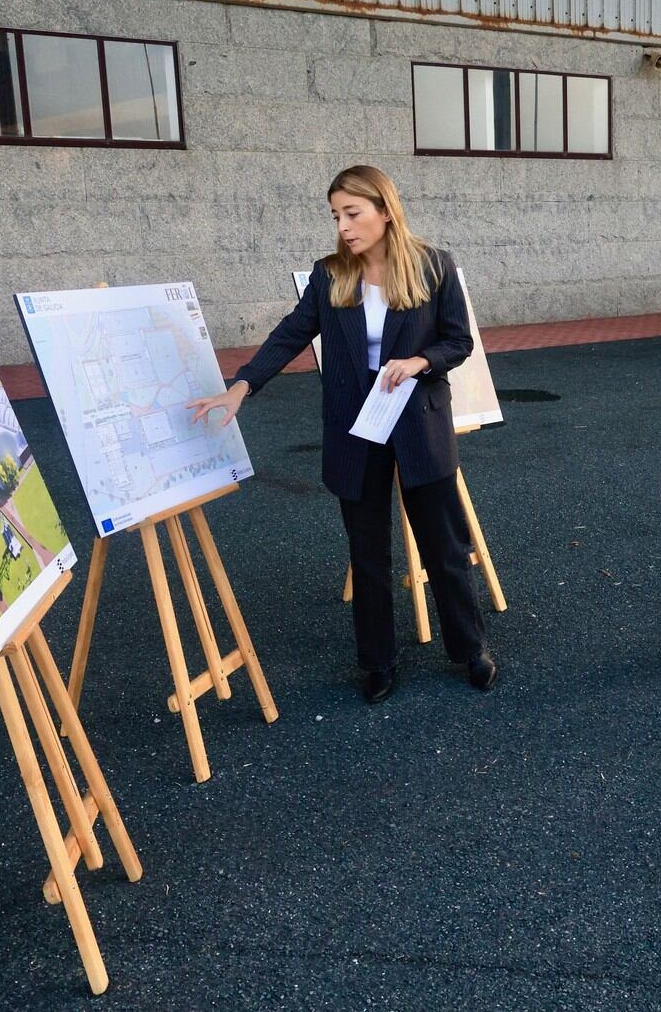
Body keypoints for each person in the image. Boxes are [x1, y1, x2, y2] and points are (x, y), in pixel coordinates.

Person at [187, 165, 496, 704]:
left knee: (444, 546)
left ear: (384, 209)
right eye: (336, 215)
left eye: (352, 213)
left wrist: (421, 359)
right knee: (368, 550)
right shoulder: (331, 275)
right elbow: (291, 333)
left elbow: (458, 342)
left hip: (419, 419)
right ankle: (377, 661)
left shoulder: (433, 266)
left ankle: (470, 649)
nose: (344, 225)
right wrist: (242, 386)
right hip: (357, 427)